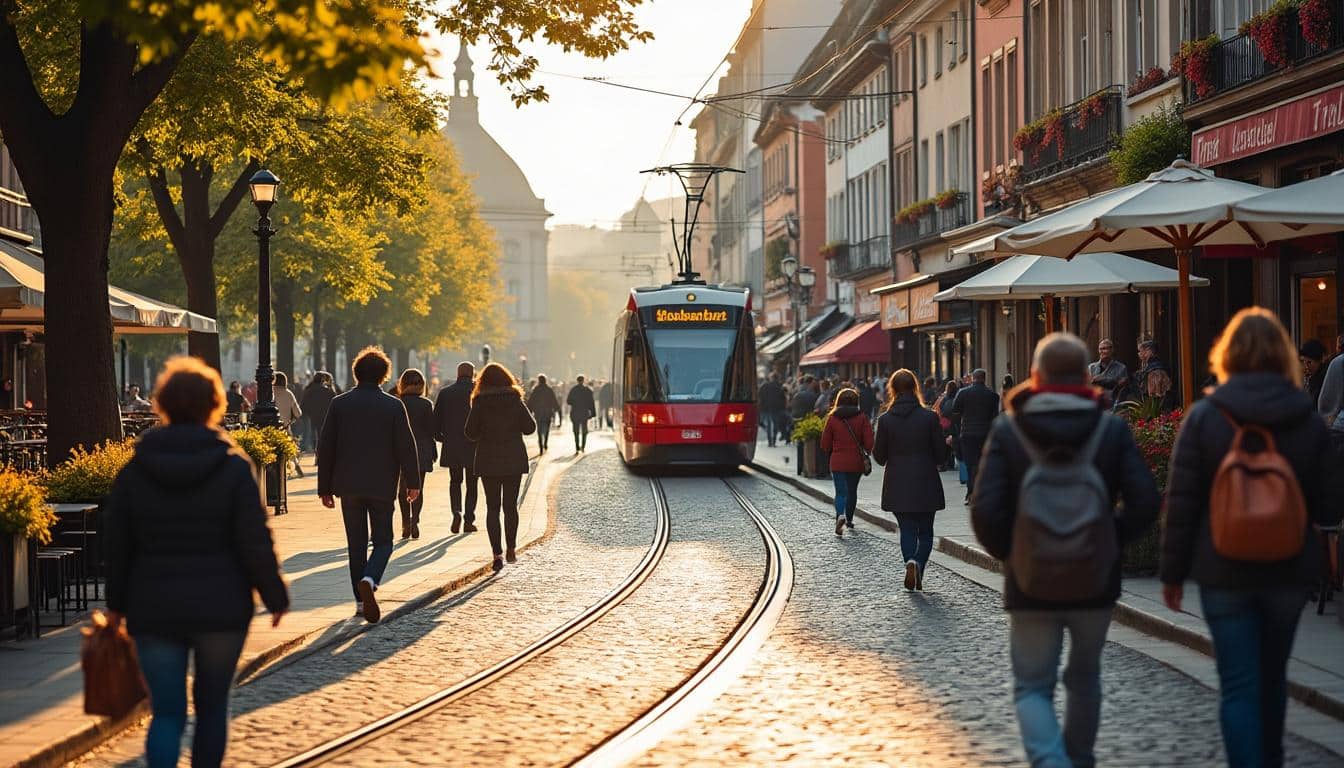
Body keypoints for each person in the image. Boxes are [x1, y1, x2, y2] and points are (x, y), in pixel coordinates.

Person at [1161, 308, 1342, 768]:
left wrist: (1173, 572)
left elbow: (1181, 503)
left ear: (1229, 354)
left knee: (1239, 683)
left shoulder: (1206, 416)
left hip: (1223, 567)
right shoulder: (1304, 415)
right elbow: (1329, 502)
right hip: (1288, 567)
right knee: (1272, 677)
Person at [971, 333, 1160, 768]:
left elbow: (985, 511)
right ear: (1086, 375)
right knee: (1085, 678)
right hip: (1095, 579)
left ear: (1036, 376)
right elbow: (1146, 502)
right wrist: (1107, 541)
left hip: (1031, 579)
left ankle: (1052, 761)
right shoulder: (1110, 428)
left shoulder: (1010, 429)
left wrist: (1015, 553)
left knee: (1032, 686)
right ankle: (1079, 759)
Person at [104, 357, 288, 768]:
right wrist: (274, 594)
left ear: (162, 404)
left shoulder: (137, 469)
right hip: (221, 608)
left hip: (154, 607)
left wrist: (115, 605)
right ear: (215, 404)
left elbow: (117, 544)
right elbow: (254, 539)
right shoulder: (233, 466)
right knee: (211, 707)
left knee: (166, 712)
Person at [317, 347, 420, 624]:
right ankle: (370, 578)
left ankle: (361, 603)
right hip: (382, 485)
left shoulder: (339, 404)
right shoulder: (393, 405)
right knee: (384, 541)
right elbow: (406, 447)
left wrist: (324, 488)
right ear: (384, 376)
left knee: (356, 544)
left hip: (348, 486)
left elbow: (326, 447)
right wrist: (413, 482)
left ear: (356, 373)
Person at [873, 370, 946, 590]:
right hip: (925, 480)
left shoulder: (885, 420)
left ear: (892, 389)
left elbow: (879, 456)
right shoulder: (930, 417)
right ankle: (918, 562)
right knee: (925, 531)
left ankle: (909, 562)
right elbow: (941, 455)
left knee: (906, 529)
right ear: (915, 387)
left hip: (897, 481)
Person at [464, 362, 537, 573]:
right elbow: (530, 427)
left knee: (493, 508)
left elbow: (469, 432)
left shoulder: (479, 402)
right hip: (513, 458)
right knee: (510, 506)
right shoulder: (515, 400)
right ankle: (512, 548)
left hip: (488, 460)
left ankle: (497, 553)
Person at [819, 387, 874, 536]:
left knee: (841, 492)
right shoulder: (862, 417)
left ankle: (840, 515)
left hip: (837, 461)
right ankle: (849, 519)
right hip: (855, 461)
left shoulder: (832, 418)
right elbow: (869, 442)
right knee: (852, 491)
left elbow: (825, 443)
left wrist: (832, 449)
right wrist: (866, 451)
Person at [434, 362, 480, 534]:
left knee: (455, 481)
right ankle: (469, 519)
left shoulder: (445, 393)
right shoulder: (478, 391)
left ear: (458, 373)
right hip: (473, 444)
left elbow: (436, 420)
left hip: (452, 444)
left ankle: (456, 512)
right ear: (473, 374)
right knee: (472, 483)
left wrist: (440, 437)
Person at [394, 368, 436, 540]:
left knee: (402, 488)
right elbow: (431, 429)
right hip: (422, 448)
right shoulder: (426, 404)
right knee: (418, 487)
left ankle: (405, 522)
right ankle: (415, 521)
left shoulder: (397, 402)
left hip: (400, 449)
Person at [950, 368, 1000, 499]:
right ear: (984, 378)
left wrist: (958, 426)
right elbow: (995, 416)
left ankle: (971, 492)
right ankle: (982, 491)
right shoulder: (992, 395)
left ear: (973, 378)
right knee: (983, 463)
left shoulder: (963, 393)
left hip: (967, 433)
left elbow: (955, 410)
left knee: (970, 464)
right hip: (985, 433)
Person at [272, 372, 304, 478]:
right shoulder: (288, 393)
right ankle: (297, 466)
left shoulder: (268, 392)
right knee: (289, 446)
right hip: (284, 426)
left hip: (270, 426)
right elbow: (298, 413)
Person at [789, 376, 819, 473]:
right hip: (807, 420)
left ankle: (800, 468)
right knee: (806, 445)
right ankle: (805, 468)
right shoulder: (813, 395)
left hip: (797, 419)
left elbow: (792, 405)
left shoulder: (797, 392)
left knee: (800, 445)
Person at [300, 372, 336, 449]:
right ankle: (321, 447)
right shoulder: (327, 391)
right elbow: (334, 401)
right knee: (321, 432)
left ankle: (315, 447)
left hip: (312, 415)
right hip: (324, 415)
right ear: (323, 380)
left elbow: (303, 403)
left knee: (313, 432)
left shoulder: (308, 390)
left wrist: (305, 413)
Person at [526, 374, 560, 452]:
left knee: (539, 428)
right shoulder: (549, 389)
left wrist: (529, 411)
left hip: (538, 412)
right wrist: (557, 409)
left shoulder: (536, 390)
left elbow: (531, 401)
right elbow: (553, 400)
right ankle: (545, 443)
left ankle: (540, 444)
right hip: (548, 412)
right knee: (547, 428)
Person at [567, 374, 596, 453]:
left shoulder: (573, 390)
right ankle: (583, 446)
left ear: (577, 380)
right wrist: (593, 413)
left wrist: (574, 403)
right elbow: (591, 402)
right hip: (584, 412)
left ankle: (577, 446)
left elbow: (568, 401)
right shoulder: (587, 390)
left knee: (576, 430)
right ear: (583, 380)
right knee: (584, 430)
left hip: (575, 412)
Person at [758, 373, 788, 448]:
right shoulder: (780, 386)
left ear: (771, 378)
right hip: (777, 408)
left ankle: (770, 442)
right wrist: (783, 408)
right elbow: (783, 398)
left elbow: (760, 396)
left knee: (768, 425)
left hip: (766, 408)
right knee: (775, 425)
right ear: (777, 378)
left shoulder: (764, 386)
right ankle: (774, 442)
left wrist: (760, 406)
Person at [1299, 339, 1328, 406]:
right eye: (1303, 362)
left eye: (1309, 362)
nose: (1306, 366)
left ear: (1321, 360)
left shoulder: (1324, 377)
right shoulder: (1311, 376)